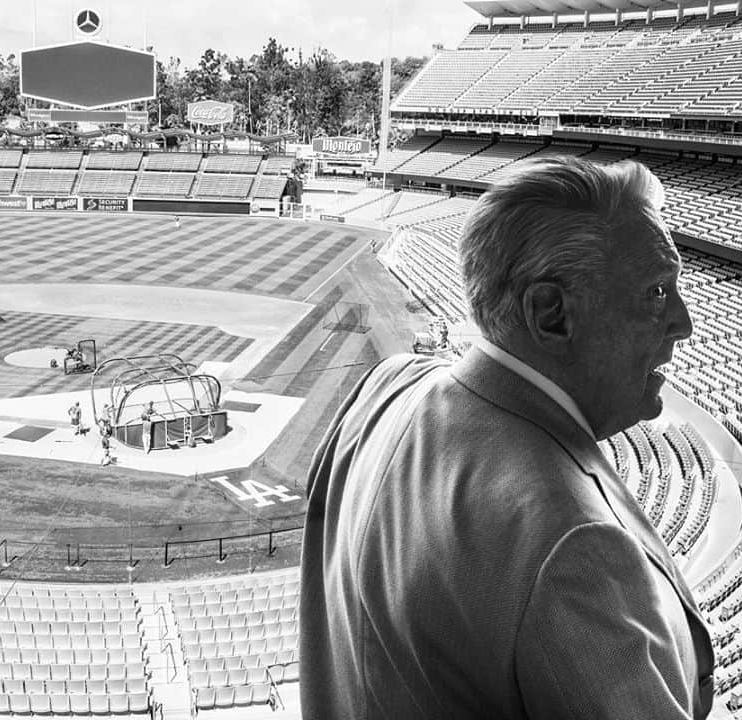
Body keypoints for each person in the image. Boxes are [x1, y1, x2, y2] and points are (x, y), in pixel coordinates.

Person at [300, 157, 713, 720]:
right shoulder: (577, 548)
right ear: (551, 314)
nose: (684, 322)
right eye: (657, 293)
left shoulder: (386, 386)